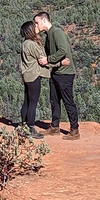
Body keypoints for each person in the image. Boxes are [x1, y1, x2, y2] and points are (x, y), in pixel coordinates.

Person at [33, 11, 80, 140]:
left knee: (67, 101)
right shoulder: (49, 35)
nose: (36, 25)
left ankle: (74, 130)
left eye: (37, 23)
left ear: (44, 20)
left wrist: (48, 60)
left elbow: (63, 51)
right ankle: (55, 127)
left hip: (65, 72)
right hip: (55, 71)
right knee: (54, 100)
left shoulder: (57, 32)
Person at [19, 20, 48, 139]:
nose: (36, 27)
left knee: (27, 101)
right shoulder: (32, 44)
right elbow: (42, 57)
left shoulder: (25, 43)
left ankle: (23, 126)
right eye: (34, 26)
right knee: (33, 103)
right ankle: (31, 127)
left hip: (27, 76)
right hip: (34, 76)